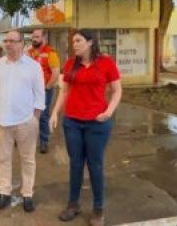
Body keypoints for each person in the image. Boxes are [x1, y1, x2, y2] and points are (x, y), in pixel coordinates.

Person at [49, 29, 122, 226]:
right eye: (73, 41)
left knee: (95, 165)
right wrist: (55, 112)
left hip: (97, 123)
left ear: (90, 42)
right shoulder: (71, 63)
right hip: (72, 121)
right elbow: (64, 91)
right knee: (75, 164)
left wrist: (109, 112)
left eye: (79, 41)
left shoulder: (106, 63)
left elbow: (117, 90)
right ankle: (73, 204)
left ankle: (98, 209)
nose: (75, 44)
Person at [0, 31, 45, 212]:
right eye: (6, 41)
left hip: (26, 120)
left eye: (12, 41)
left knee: (28, 159)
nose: (8, 44)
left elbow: (40, 94)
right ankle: (5, 192)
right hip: (1, 121)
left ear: (22, 43)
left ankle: (27, 194)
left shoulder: (33, 66)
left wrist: (36, 117)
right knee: (3, 159)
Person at [28, 29, 60, 154]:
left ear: (43, 38)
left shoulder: (50, 53)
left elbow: (56, 73)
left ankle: (44, 142)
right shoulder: (29, 53)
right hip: (29, 91)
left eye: (37, 37)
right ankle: (28, 141)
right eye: (33, 37)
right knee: (29, 115)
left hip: (44, 90)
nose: (34, 39)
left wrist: (47, 87)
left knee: (43, 116)